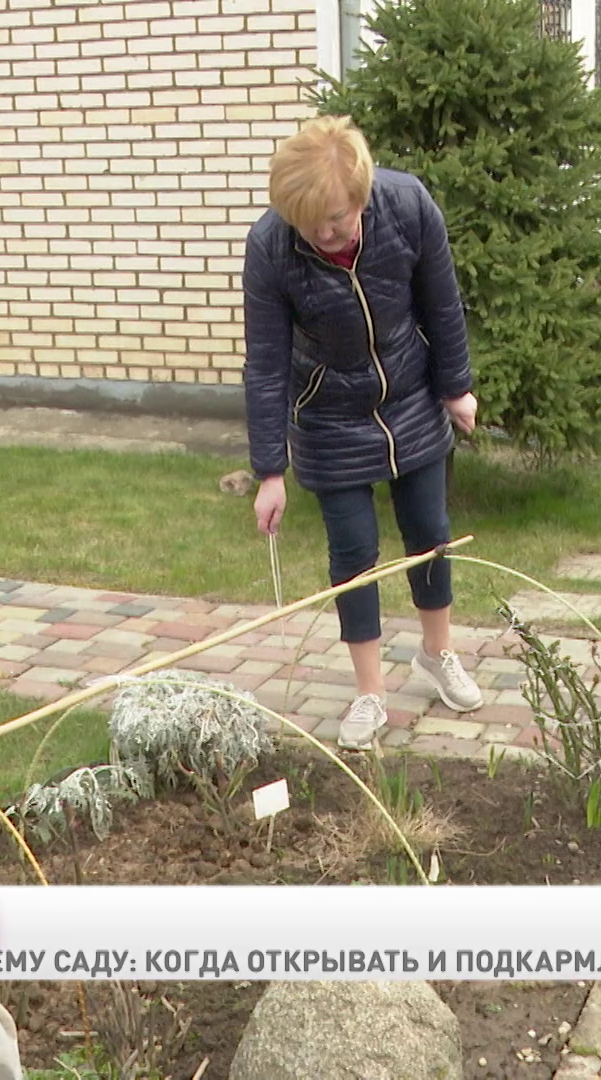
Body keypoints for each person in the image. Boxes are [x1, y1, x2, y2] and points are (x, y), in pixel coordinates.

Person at [239, 115, 485, 751]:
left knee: (429, 534)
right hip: (327, 415)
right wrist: (270, 471)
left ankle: (437, 653)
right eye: (309, 223)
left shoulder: (407, 206)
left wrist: (455, 387)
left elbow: (443, 301)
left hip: (409, 395)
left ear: (363, 197)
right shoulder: (270, 247)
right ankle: (370, 694)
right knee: (353, 555)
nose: (324, 233)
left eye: (338, 219)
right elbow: (265, 363)